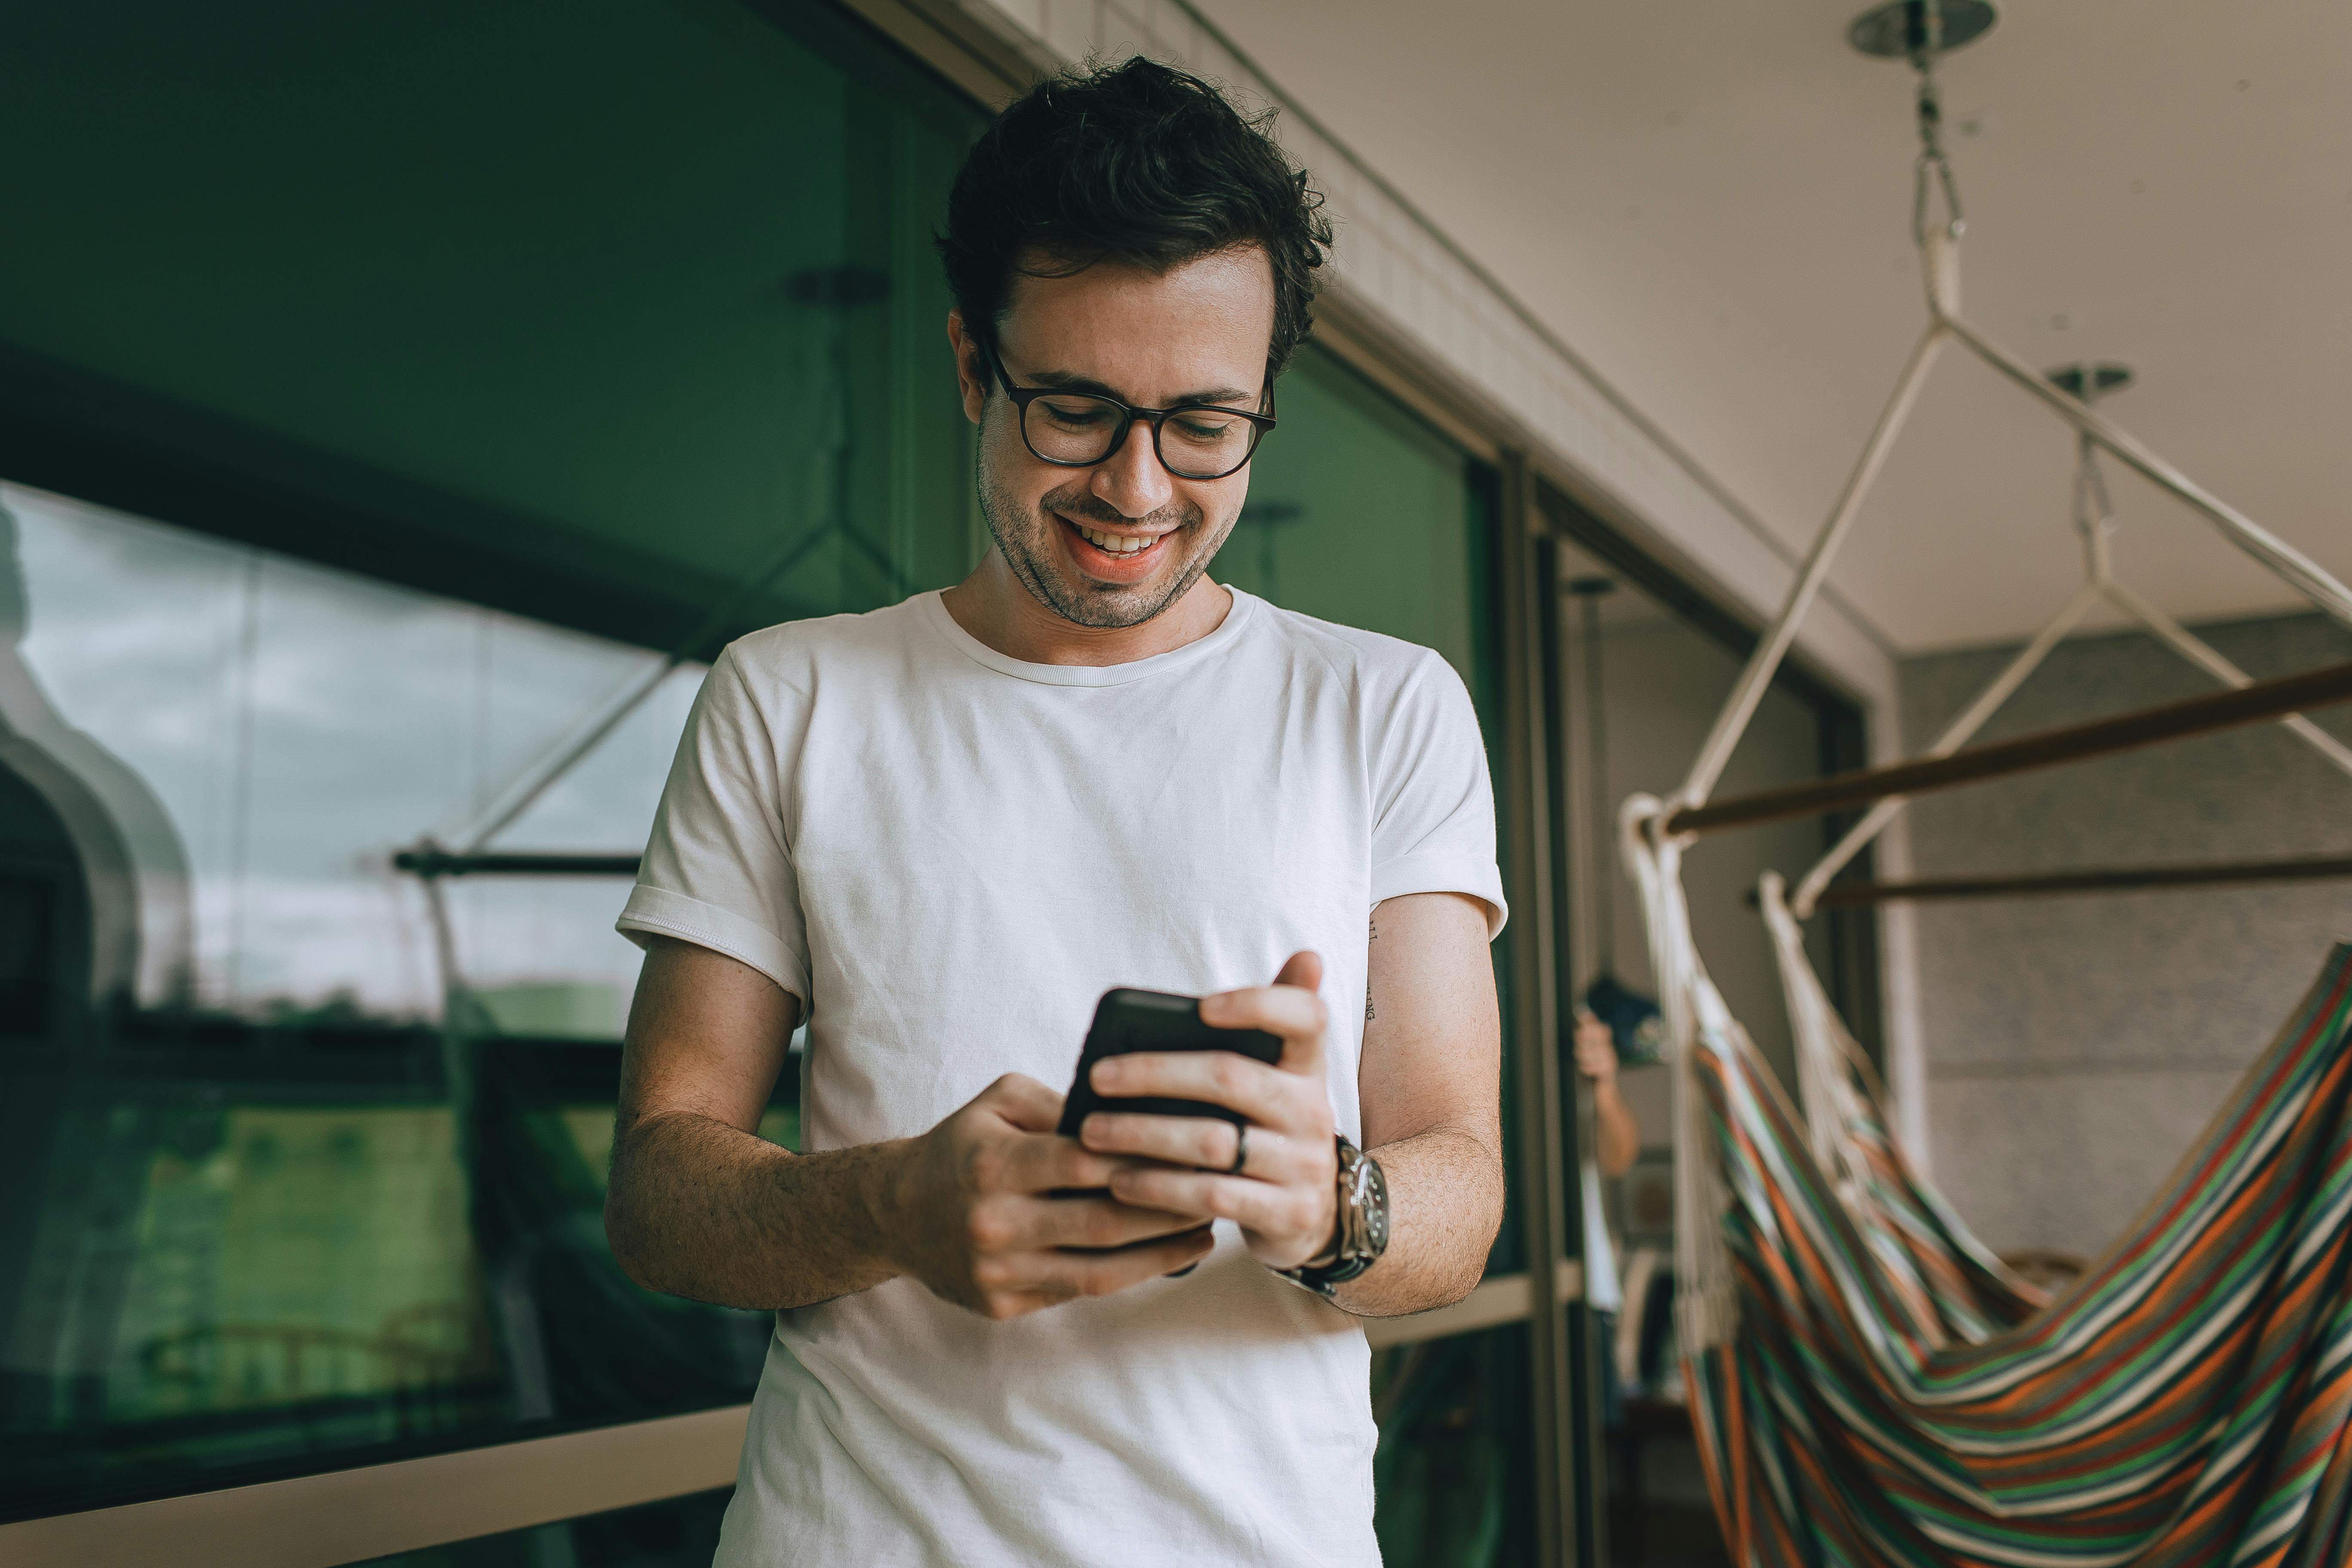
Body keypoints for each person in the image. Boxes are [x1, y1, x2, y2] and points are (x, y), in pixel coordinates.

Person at [602, 57, 1509, 1567]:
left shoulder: (1386, 708)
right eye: (1076, 410)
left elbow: (1460, 1199)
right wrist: (893, 1206)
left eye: (1206, 424)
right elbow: (658, 1188)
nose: (1137, 488)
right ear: (974, 365)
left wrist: (1328, 1202)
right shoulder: (791, 695)